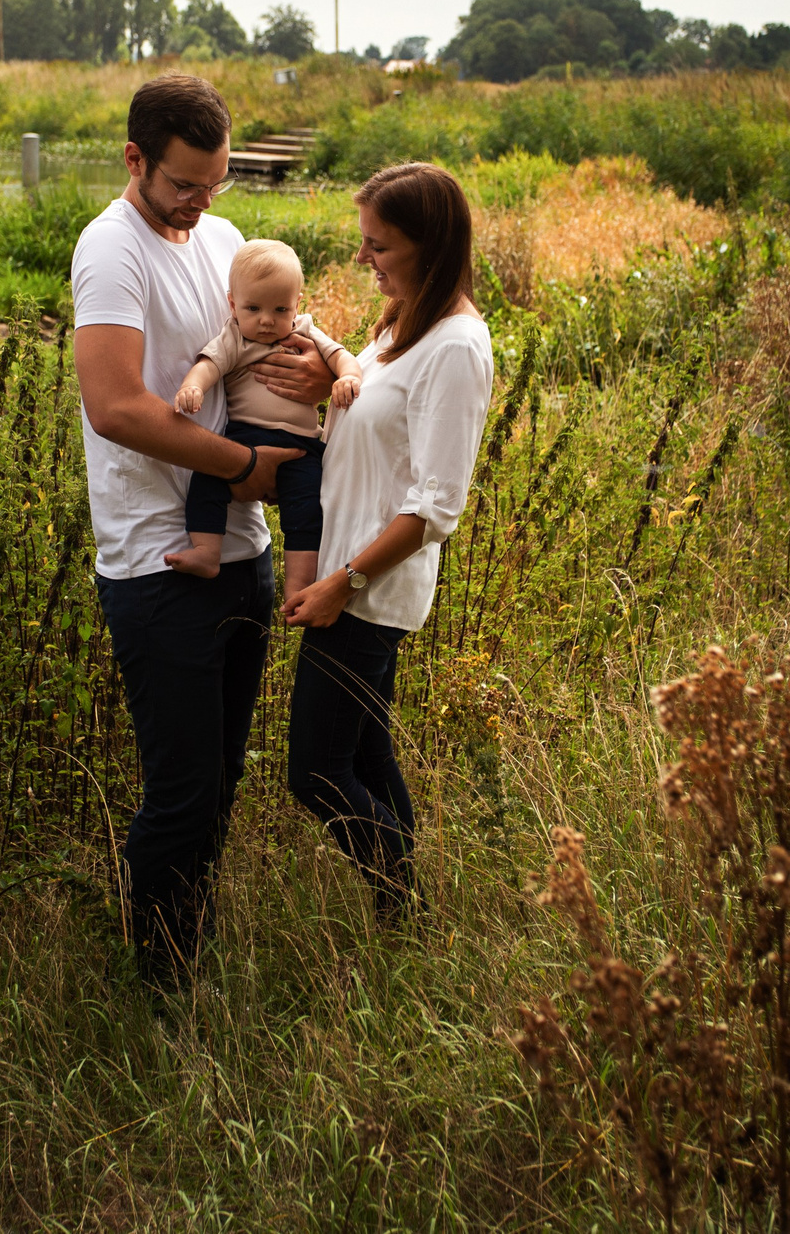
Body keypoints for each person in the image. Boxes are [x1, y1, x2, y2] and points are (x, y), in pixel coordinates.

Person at [70, 73, 335, 989]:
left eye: (215, 182)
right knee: (180, 793)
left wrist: (313, 369)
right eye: (184, 183)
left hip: (244, 553)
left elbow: (268, 326)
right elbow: (114, 406)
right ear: (136, 160)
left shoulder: (220, 237)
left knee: (220, 780)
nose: (200, 202)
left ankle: (194, 952)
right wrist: (242, 469)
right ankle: (163, 988)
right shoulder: (111, 251)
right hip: (157, 561)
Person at [280, 161, 493, 924]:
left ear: (430, 245)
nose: (363, 258)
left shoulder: (456, 348)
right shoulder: (401, 327)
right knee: (366, 755)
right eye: (362, 240)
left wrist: (344, 581)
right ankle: (407, 921)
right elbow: (370, 434)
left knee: (315, 771)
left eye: (380, 246)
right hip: (346, 578)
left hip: (367, 591)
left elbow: (436, 504)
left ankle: (403, 899)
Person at [163, 238, 363, 599]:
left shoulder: (304, 331)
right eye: (253, 308)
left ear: (297, 305)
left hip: (302, 446)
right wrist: (193, 387)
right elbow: (209, 366)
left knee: (305, 513)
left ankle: (299, 587)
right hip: (244, 439)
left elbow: (342, 357)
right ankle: (207, 553)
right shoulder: (235, 337)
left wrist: (348, 377)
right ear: (233, 304)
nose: (267, 321)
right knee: (206, 483)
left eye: (280, 309)